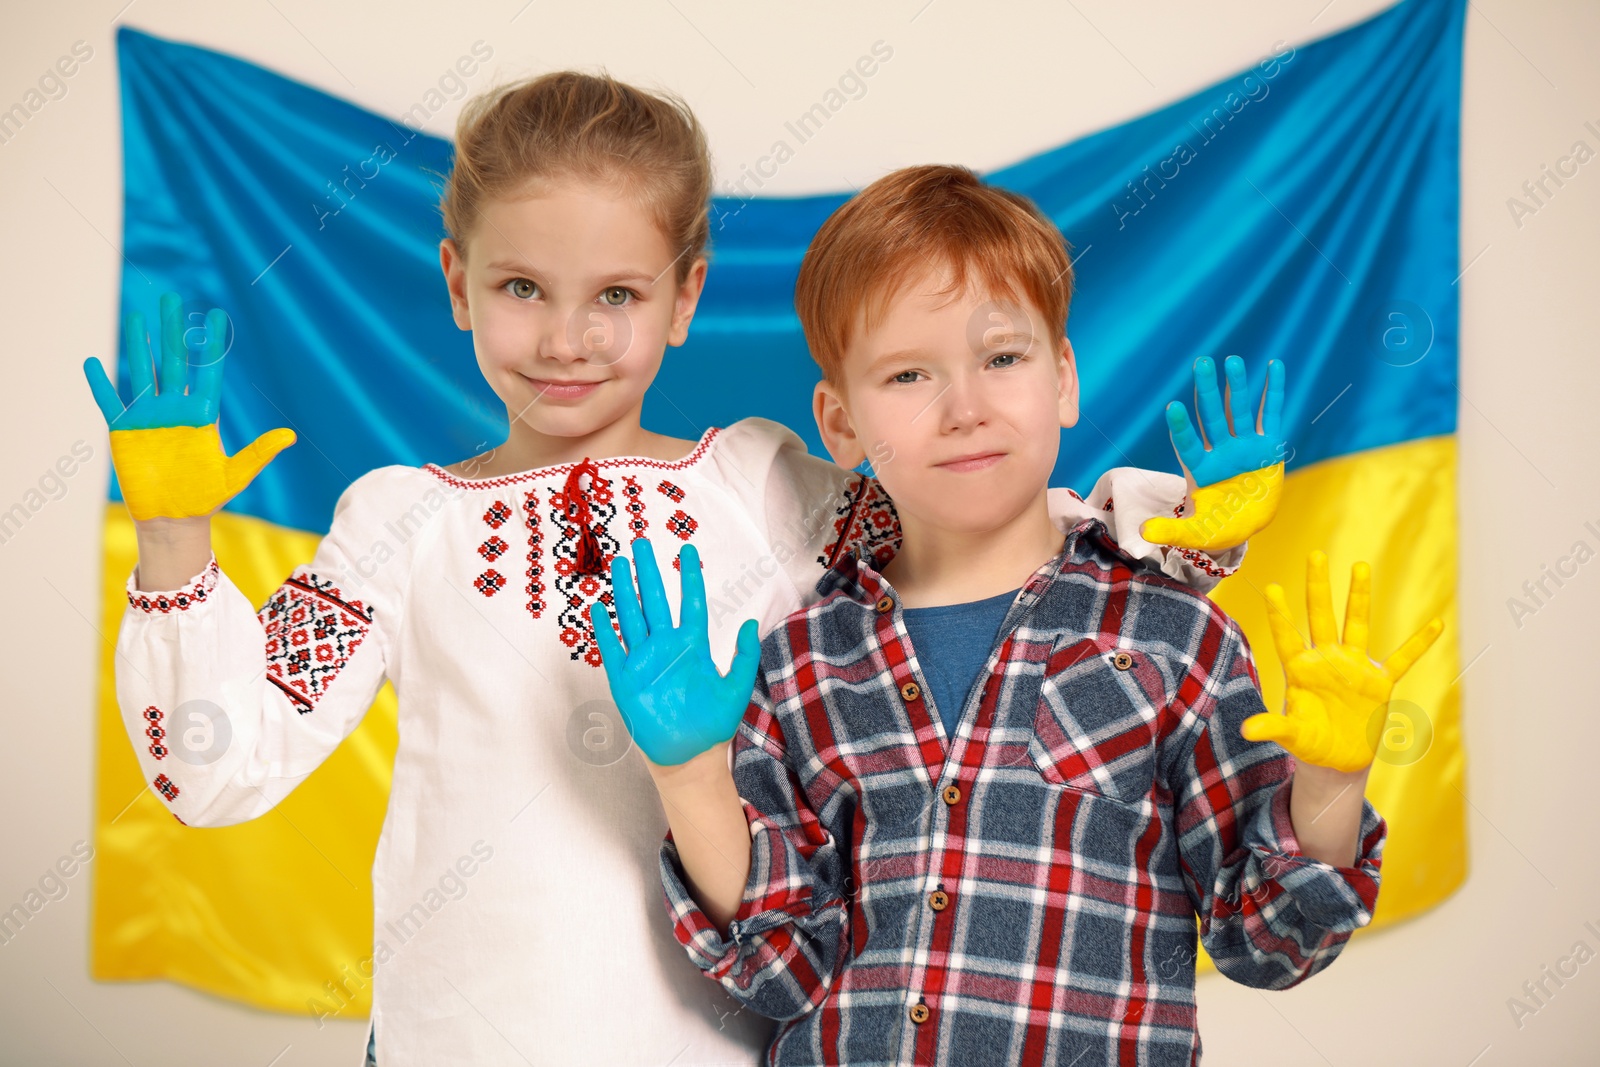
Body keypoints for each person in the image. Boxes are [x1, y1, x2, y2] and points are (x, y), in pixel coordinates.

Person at [86, 74, 1263, 1066]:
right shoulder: (398, 522)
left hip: (716, 1028)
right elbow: (216, 772)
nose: (565, 339)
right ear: (455, 281)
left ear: (685, 293)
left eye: (615, 296)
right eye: (519, 289)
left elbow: (982, 533)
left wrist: (1189, 531)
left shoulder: (759, 484)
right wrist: (177, 544)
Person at [593, 164, 1443, 1065]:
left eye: (1003, 358)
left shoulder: (1174, 634)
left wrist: (1330, 787)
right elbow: (780, 969)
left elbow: (1271, 942)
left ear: (1064, 377)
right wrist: (688, 774)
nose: (966, 408)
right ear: (840, 424)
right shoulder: (798, 659)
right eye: (910, 374)